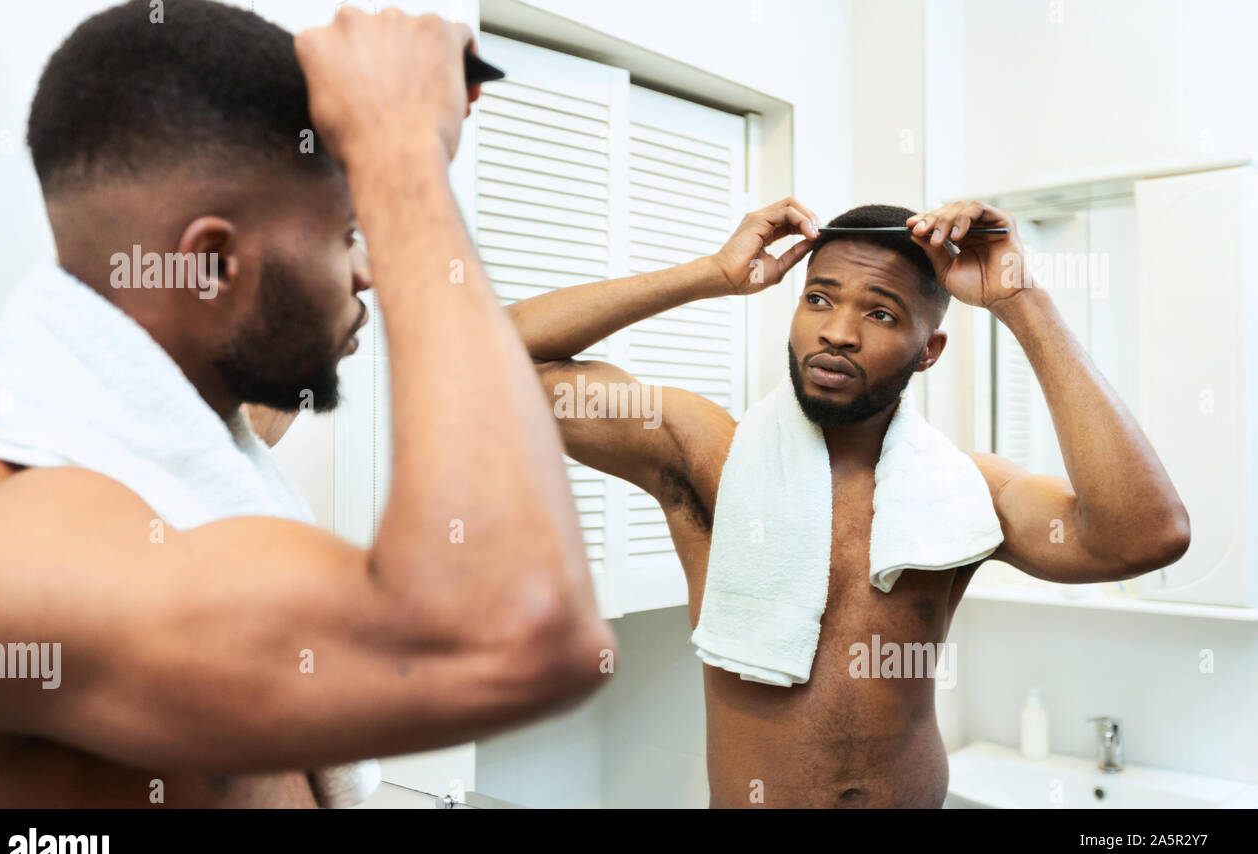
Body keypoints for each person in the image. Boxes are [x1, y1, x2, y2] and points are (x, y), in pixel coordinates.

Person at [0, 0, 614, 808]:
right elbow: (519, 628)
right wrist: (399, 157)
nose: (368, 270)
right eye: (346, 232)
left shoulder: (188, 439)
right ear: (210, 268)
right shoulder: (13, 550)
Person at [507, 197, 1191, 808]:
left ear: (930, 351)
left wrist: (1021, 301)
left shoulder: (963, 491)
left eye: (882, 313)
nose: (838, 331)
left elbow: (1146, 536)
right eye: (819, 298)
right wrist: (712, 274)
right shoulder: (710, 458)